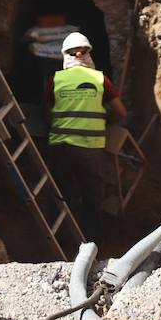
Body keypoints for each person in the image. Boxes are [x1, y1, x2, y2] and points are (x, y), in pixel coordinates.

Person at [45, 32, 126, 242]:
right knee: (92, 196)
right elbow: (121, 112)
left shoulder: (55, 80)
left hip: (60, 146)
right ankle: (92, 244)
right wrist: (103, 119)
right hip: (90, 148)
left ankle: (60, 240)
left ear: (65, 55)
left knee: (61, 193)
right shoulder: (100, 79)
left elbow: (48, 111)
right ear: (88, 54)